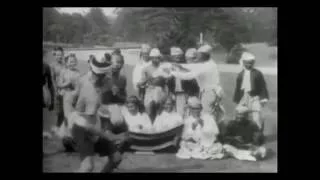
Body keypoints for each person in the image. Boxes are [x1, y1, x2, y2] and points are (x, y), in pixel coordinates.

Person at [65, 56, 124, 173]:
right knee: (87, 167)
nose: (108, 77)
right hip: (83, 130)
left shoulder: (89, 78)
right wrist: (109, 136)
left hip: (92, 124)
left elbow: (71, 97)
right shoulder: (90, 91)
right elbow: (88, 126)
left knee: (116, 158)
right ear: (98, 76)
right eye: (105, 75)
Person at [171, 45, 225, 123]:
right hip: (210, 92)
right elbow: (193, 66)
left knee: (207, 115)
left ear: (204, 56)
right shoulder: (209, 63)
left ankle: (209, 131)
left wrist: (172, 72)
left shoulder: (206, 66)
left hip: (209, 93)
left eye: (198, 55)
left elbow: (188, 76)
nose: (197, 58)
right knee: (209, 113)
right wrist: (180, 66)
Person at [233, 52, 269, 131]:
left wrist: (263, 98)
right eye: (247, 63)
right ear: (243, 63)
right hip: (244, 97)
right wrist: (237, 99)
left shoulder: (257, 73)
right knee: (241, 115)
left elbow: (262, 86)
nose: (249, 65)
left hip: (255, 97)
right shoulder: (240, 74)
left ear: (253, 63)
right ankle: (245, 134)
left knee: (257, 116)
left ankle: (258, 134)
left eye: (250, 63)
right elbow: (238, 88)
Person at [138, 48, 170, 122]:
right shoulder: (146, 69)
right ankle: (151, 125)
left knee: (160, 111)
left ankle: (160, 126)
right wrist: (147, 80)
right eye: (154, 58)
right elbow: (141, 83)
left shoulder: (164, 68)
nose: (156, 59)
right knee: (150, 110)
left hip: (161, 91)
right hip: (150, 91)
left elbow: (168, 81)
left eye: (157, 58)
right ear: (151, 58)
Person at [55, 54, 81, 139]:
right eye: (70, 61)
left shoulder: (78, 72)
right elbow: (59, 84)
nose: (72, 63)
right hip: (67, 96)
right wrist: (66, 84)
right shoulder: (64, 72)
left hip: (77, 96)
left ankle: (73, 134)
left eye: (74, 61)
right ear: (66, 63)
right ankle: (68, 135)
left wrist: (78, 93)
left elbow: (80, 85)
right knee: (67, 116)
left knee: (75, 116)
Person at [50, 46, 67, 134]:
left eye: (61, 55)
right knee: (59, 111)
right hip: (58, 90)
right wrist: (56, 90)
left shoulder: (65, 64)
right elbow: (52, 79)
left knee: (66, 109)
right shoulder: (52, 65)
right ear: (55, 55)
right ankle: (58, 126)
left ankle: (64, 128)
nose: (59, 57)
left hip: (66, 90)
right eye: (57, 55)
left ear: (63, 55)